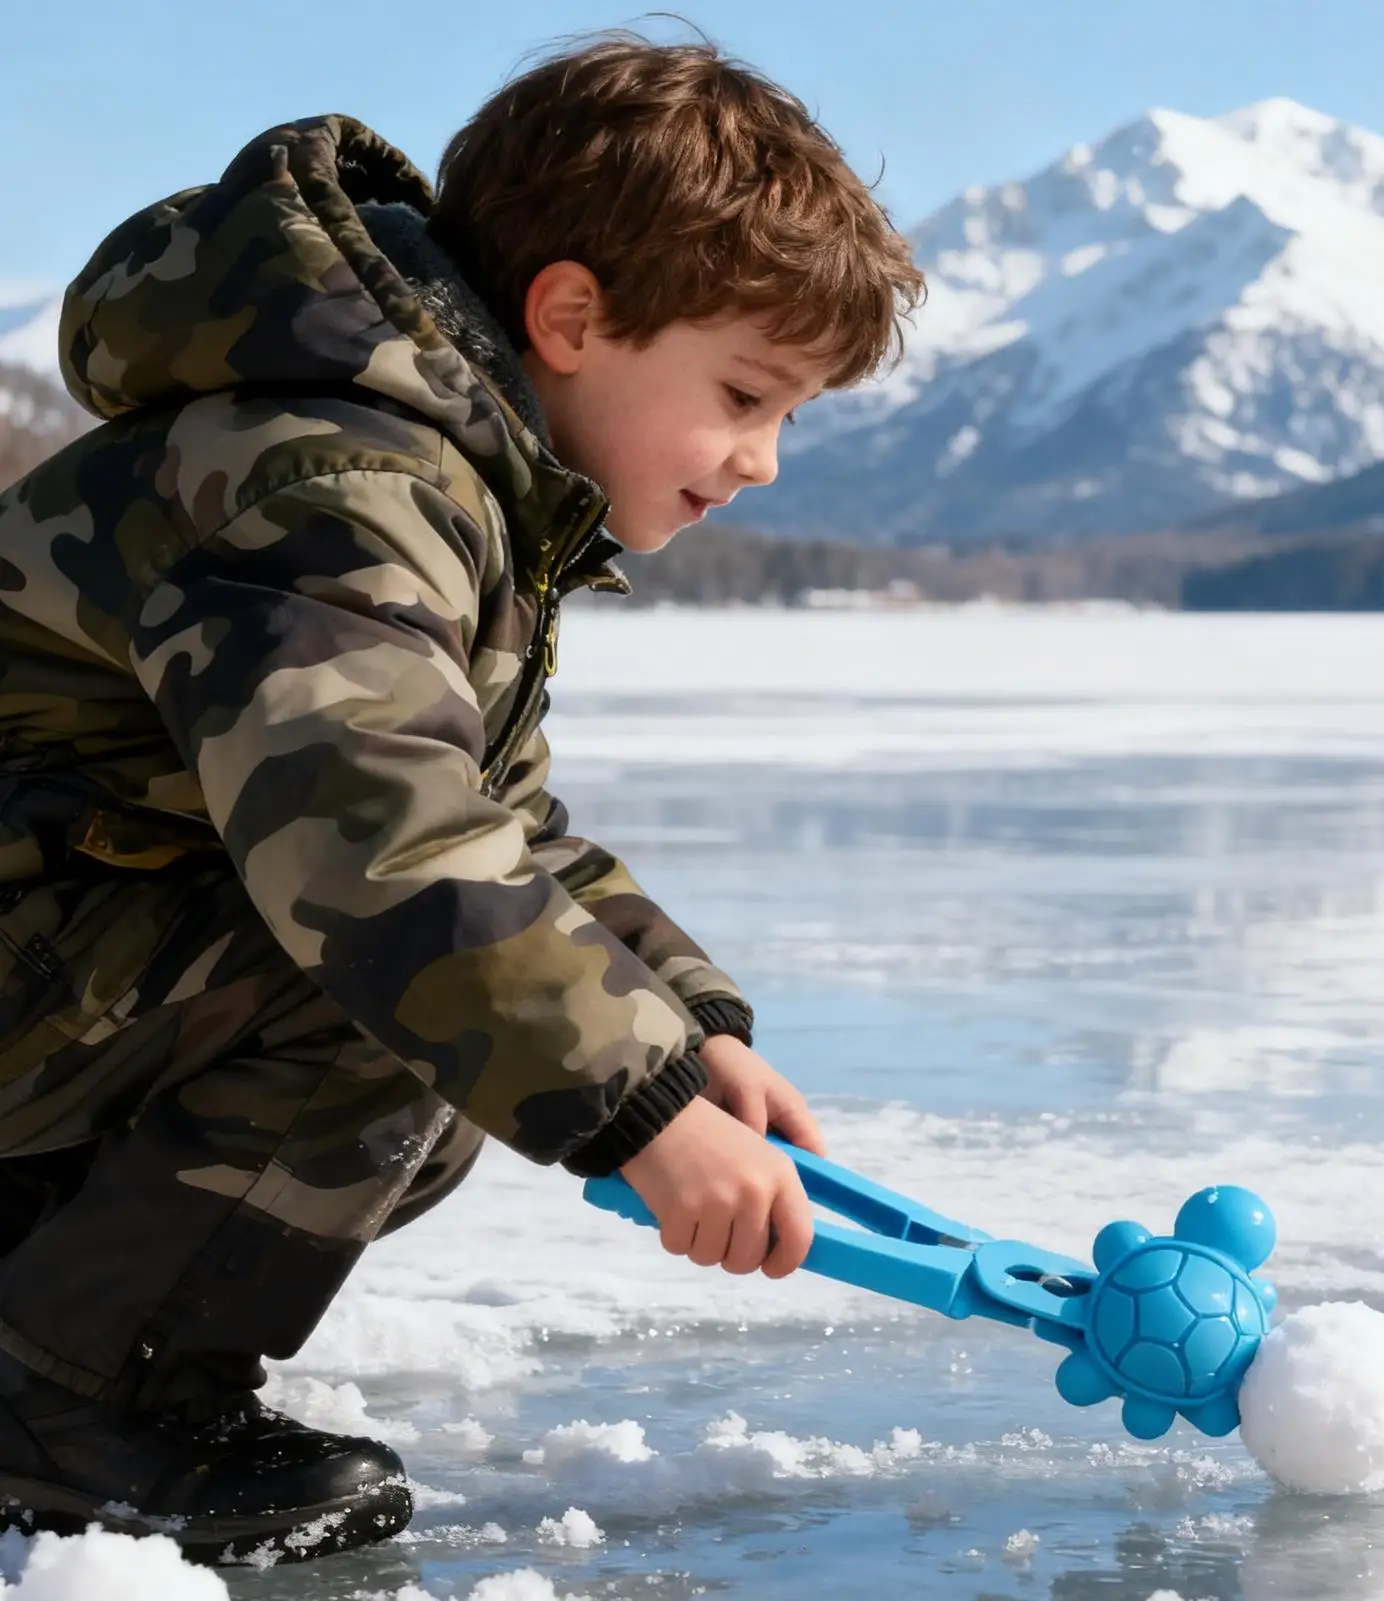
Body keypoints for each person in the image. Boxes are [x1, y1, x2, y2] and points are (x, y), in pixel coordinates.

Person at [0, 34, 923, 1566]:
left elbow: (502, 828)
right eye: (746, 394)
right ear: (571, 318)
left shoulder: (445, 485)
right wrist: (635, 1110)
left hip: (51, 958)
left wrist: (683, 1030)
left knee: (452, 1048)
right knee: (390, 986)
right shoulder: (338, 484)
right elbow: (383, 848)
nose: (764, 461)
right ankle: (69, 1402)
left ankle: (47, 1312)